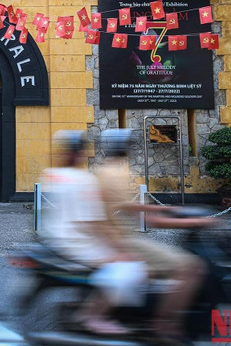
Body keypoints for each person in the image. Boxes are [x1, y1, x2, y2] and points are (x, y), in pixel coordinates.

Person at [96, 128, 213, 343]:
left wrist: (162, 208)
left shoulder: (107, 172)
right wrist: (196, 222)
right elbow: (149, 219)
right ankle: (165, 325)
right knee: (192, 268)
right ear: (125, 148)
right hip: (124, 242)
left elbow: (133, 207)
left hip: (118, 240)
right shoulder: (116, 175)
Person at [41, 130, 140, 336]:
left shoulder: (52, 175)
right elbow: (94, 222)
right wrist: (120, 250)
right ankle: (93, 316)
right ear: (79, 153)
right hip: (78, 243)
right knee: (130, 268)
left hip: (55, 238)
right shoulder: (84, 180)